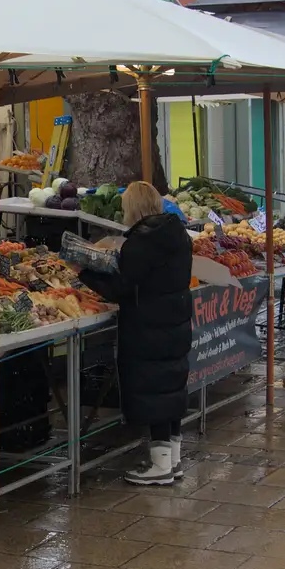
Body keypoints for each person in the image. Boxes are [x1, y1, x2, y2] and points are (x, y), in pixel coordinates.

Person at [81, 181, 193, 485]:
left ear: (135, 207)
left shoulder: (141, 242)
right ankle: (173, 460)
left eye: (125, 206)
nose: (122, 211)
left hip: (148, 326)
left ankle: (159, 468)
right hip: (175, 323)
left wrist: (84, 272)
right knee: (171, 390)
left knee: (156, 393)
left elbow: (121, 289)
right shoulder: (177, 233)